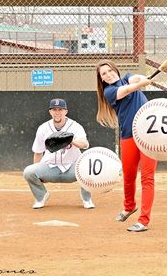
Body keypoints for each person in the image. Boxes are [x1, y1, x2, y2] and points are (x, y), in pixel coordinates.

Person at [95, 60, 158, 232]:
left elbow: (134, 79)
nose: (108, 74)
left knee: (147, 178)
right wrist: (141, 84)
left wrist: (142, 79)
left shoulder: (128, 77)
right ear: (101, 79)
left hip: (149, 137)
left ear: (116, 70)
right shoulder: (109, 92)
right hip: (128, 136)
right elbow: (127, 90)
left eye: (110, 70)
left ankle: (143, 221)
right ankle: (129, 206)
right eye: (104, 74)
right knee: (129, 177)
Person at [23, 98, 95, 209]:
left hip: (72, 168)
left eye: (60, 109)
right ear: (50, 112)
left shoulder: (75, 126)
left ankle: (87, 199)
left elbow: (85, 144)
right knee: (29, 172)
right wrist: (38, 172)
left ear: (66, 111)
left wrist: (71, 141)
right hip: (50, 167)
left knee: (87, 168)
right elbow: (38, 152)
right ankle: (41, 196)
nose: (57, 112)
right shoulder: (43, 128)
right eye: (54, 109)